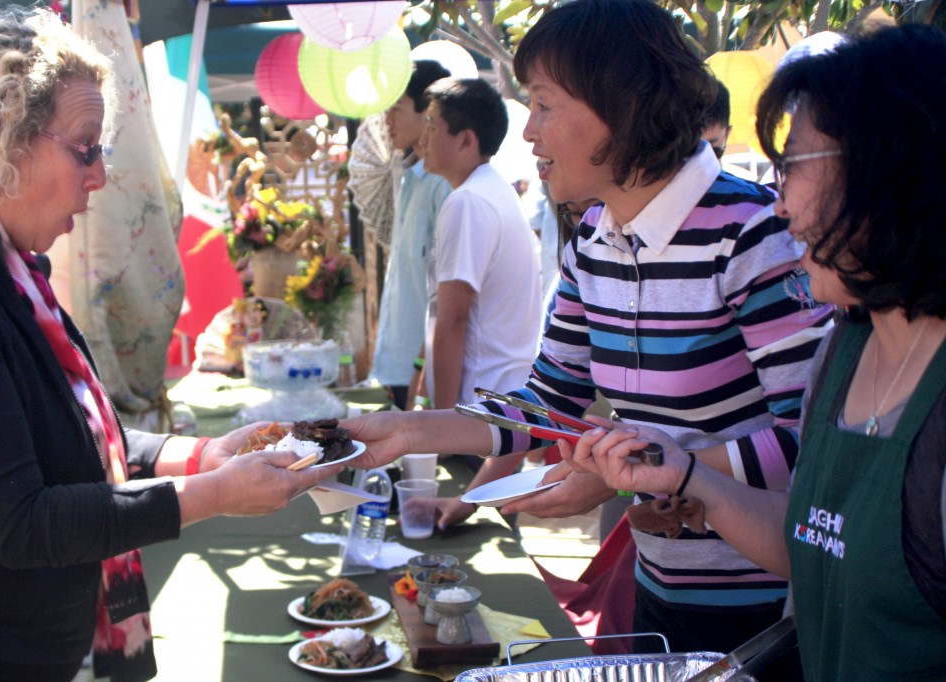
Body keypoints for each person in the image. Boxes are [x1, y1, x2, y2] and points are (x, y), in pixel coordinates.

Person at [346, 0, 834, 656]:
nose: (529, 133)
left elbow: (810, 445)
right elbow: (548, 402)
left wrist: (633, 471)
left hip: (768, 611)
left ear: (622, 107)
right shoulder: (593, 242)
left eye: (544, 105)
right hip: (656, 580)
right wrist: (410, 432)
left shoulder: (751, 234)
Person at [0, 9, 338, 681]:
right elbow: (21, 520)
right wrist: (215, 493)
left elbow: (84, 442)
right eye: (86, 148)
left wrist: (204, 453)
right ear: (1, 140)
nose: (99, 176)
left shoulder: (2, 265)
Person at [566, 24, 946, 680]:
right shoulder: (846, 350)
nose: (779, 201)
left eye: (793, 165)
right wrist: (688, 479)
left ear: (893, 170)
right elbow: (812, 548)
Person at [420, 77, 541, 413]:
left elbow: (453, 319)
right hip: (500, 398)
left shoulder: (469, 202)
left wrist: (441, 426)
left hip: (482, 407)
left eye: (431, 127)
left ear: (466, 141)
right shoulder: (491, 190)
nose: (422, 140)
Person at [367, 60, 451, 411]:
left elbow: (448, 295)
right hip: (395, 363)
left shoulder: (443, 183)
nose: (387, 119)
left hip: (423, 372)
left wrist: (423, 368)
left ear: (429, 112)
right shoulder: (407, 175)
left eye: (396, 109)